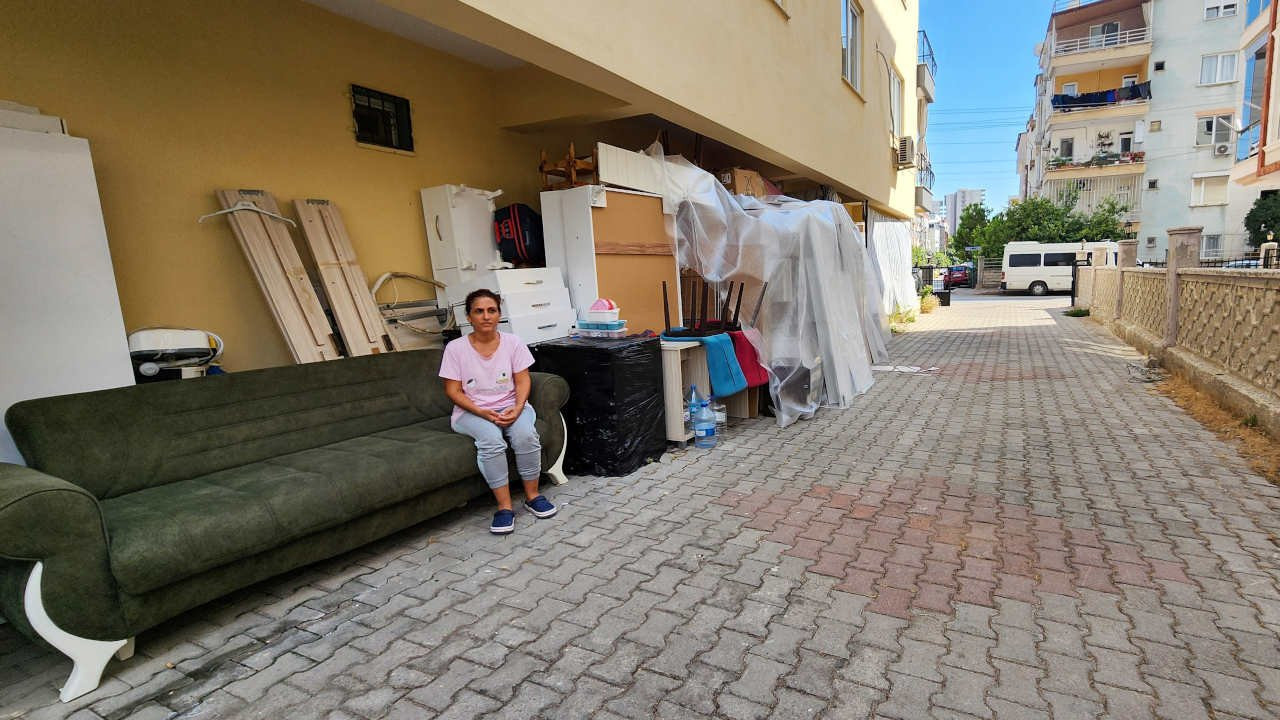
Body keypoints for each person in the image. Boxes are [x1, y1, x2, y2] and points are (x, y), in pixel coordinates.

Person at [439, 289, 557, 534]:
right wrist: (483, 413)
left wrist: (517, 407)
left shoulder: (513, 342)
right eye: (478, 311)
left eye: (491, 310)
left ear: (499, 314)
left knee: (525, 435)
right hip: (470, 411)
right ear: (469, 317)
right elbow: (453, 391)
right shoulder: (455, 348)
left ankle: (533, 496)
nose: (485, 316)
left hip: (511, 405)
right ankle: (504, 508)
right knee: (491, 441)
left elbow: (524, 381)